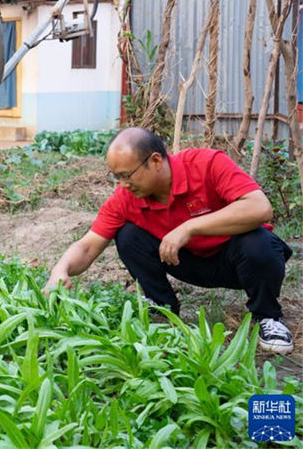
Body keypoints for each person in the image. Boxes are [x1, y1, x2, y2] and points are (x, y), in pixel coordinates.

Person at [46, 127, 294, 354]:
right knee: (128, 235)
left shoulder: (206, 164)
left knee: (258, 242)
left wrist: (190, 227)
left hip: (238, 263)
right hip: (184, 262)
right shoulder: (126, 197)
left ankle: (268, 317)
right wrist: (61, 269)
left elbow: (260, 208)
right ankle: (161, 305)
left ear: (155, 161)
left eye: (127, 175)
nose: (122, 185)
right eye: (116, 177)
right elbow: (88, 246)